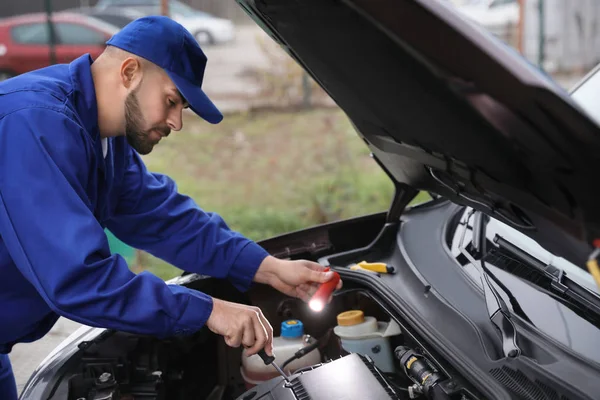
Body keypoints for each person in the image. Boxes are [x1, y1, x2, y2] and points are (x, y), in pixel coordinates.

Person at [0, 16, 342, 399]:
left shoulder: (104, 140)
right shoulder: (33, 123)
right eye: (171, 101)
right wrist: (208, 310)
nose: (177, 122)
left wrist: (267, 268)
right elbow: (78, 280)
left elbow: (166, 220)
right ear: (130, 72)